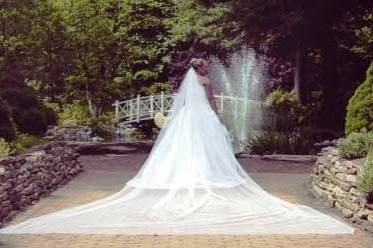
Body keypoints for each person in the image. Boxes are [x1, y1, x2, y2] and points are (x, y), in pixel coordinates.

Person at [0, 59, 355, 235]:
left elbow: (183, 106)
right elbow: (212, 103)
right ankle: (205, 176)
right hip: (202, 120)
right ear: (202, 70)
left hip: (187, 120)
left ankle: (185, 174)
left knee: (184, 148)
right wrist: (217, 118)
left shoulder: (188, 84)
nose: (204, 72)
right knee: (208, 148)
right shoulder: (206, 81)